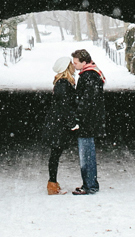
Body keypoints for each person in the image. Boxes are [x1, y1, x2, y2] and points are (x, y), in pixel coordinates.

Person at [70, 49, 106, 196]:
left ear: (84, 62)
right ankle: (90, 183)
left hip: (87, 122)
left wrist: (78, 117)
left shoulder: (88, 76)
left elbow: (87, 101)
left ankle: (90, 185)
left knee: (86, 155)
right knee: (87, 153)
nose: (74, 65)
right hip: (91, 120)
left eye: (76, 62)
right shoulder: (92, 73)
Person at [42, 56, 76, 195]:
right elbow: (64, 106)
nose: (74, 66)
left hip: (57, 122)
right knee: (55, 153)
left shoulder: (63, 83)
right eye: (71, 64)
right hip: (58, 124)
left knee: (55, 153)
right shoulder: (63, 84)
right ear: (67, 67)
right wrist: (71, 123)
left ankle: (53, 183)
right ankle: (52, 184)